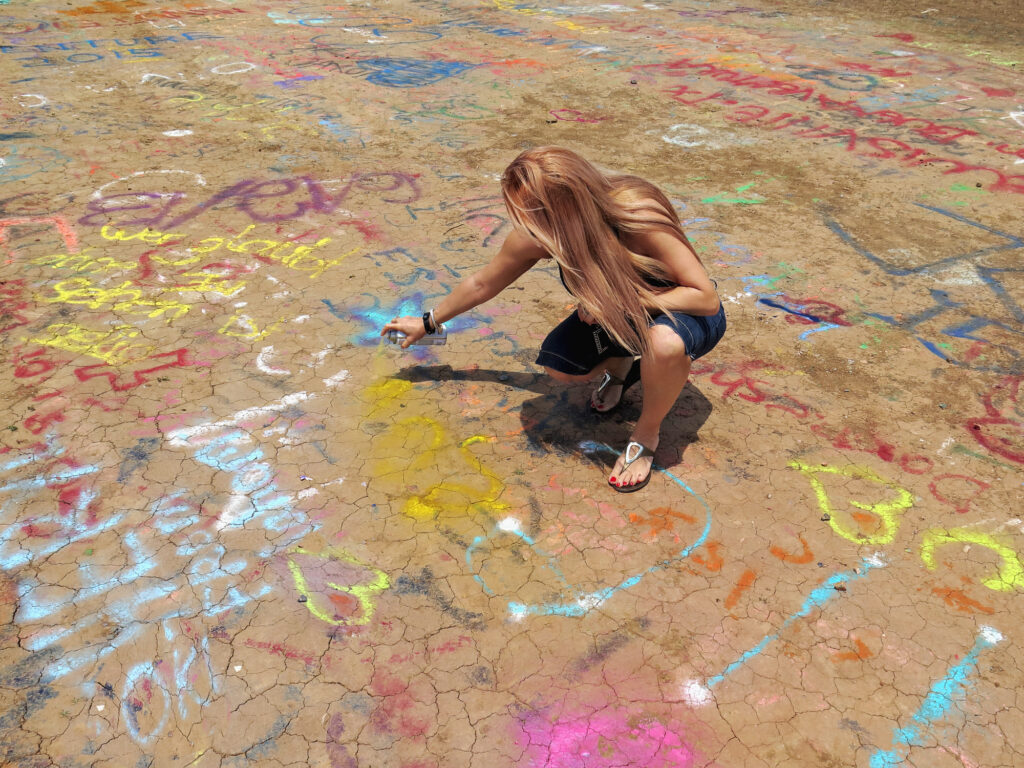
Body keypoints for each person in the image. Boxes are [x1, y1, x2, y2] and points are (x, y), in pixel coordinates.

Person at [381, 146, 726, 492]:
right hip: (620, 315)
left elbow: (704, 297)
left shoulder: (636, 212)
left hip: (686, 313)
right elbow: (483, 282)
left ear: (570, 203)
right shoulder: (543, 235)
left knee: (662, 344)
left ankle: (646, 431)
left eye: (536, 214)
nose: (529, 226)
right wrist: (427, 323)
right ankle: (622, 365)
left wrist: (621, 305)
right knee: (562, 367)